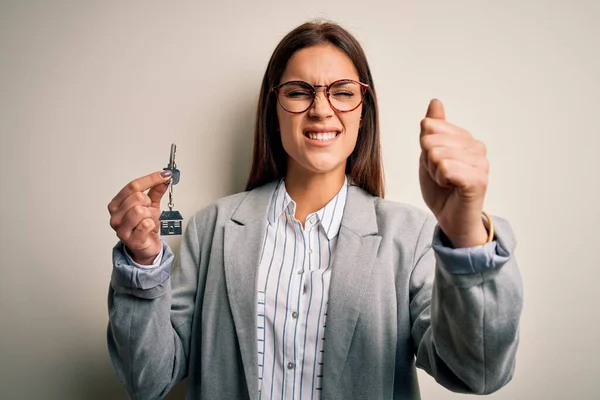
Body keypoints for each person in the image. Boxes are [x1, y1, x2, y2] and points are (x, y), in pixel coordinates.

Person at [106, 20, 523, 400]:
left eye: (342, 92)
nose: (321, 109)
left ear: (363, 112)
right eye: (299, 92)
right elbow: (148, 378)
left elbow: (477, 371)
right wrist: (142, 265)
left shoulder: (408, 236)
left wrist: (466, 233)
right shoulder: (210, 228)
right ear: (275, 111)